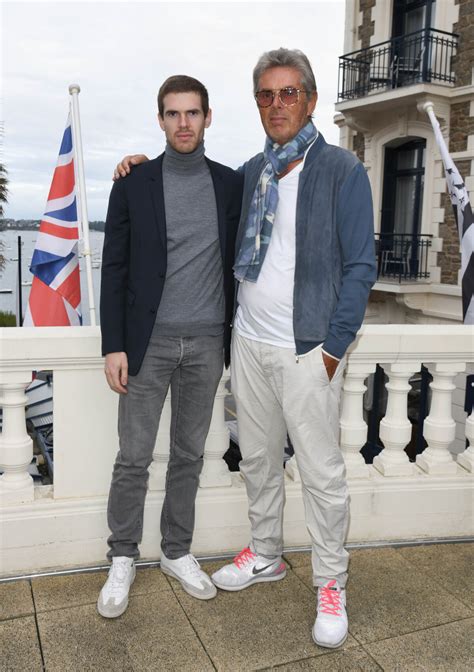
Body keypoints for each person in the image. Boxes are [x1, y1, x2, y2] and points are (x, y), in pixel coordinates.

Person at [114, 48, 376, 648]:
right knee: (257, 460)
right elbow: (181, 197)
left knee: (321, 473)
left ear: (309, 99)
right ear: (255, 104)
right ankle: (266, 553)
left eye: (288, 93)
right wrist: (132, 166)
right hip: (248, 344)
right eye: (266, 94)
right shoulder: (250, 173)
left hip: (308, 349)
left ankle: (331, 582)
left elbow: (361, 267)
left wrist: (333, 350)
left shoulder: (340, 171)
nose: (277, 104)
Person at [98, 75, 242, 618]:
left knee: (188, 455)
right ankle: (122, 556)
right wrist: (115, 345)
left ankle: (176, 551)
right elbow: (114, 267)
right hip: (146, 345)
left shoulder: (231, 185)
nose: (183, 123)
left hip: (207, 343)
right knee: (133, 457)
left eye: (193, 113)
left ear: (208, 118)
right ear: (160, 119)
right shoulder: (133, 183)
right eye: (173, 114)